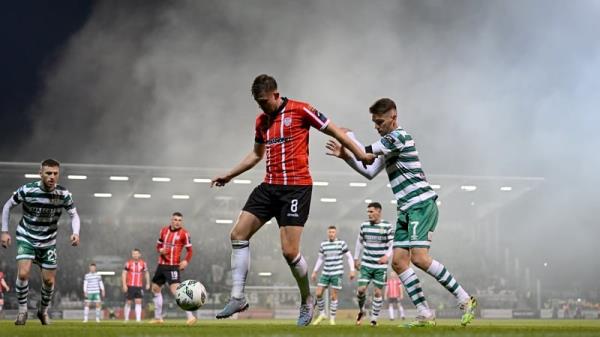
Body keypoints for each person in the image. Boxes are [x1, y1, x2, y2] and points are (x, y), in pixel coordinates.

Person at [211, 74, 374, 326]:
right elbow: (256, 155)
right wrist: (229, 175)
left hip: (296, 189)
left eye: (264, 101)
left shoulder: (302, 110)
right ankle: (237, 297)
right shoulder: (261, 121)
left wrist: (360, 153)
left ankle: (307, 300)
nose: (262, 106)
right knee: (238, 235)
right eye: (257, 102)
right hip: (269, 187)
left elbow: (334, 130)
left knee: (289, 252)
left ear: (276, 94)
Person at [325, 98, 477, 327]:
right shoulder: (388, 143)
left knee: (419, 258)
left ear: (393, 118)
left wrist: (344, 135)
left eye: (380, 121)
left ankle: (465, 299)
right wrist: (346, 155)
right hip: (406, 208)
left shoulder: (398, 137)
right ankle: (425, 313)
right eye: (374, 122)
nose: (377, 126)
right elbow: (369, 170)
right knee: (398, 262)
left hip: (421, 204)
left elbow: (365, 154)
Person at [1, 158, 80, 326]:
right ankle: (22, 311)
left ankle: (42, 311)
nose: (52, 177)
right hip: (26, 236)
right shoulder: (28, 190)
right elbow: (7, 206)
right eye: (48, 173)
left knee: (49, 281)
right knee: (23, 273)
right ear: (40, 173)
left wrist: (76, 232)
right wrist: (4, 231)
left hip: (48, 241)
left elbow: (74, 215)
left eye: (55, 174)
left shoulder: (63, 194)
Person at [150, 212, 196, 325]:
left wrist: (185, 261)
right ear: (171, 220)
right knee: (155, 289)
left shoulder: (184, 234)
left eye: (180, 220)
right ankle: (158, 318)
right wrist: (160, 250)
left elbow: (190, 251)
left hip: (173, 266)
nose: (177, 222)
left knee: (176, 291)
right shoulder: (163, 231)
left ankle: (190, 316)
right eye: (175, 219)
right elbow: (158, 245)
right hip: (161, 265)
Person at [353, 202, 393, 326]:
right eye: (368, 212)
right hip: (366, 264)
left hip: (380, 266)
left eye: (371, 212)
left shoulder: (387, 226)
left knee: (377, 292)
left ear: (378, 211)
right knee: (361, 290)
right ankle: (362, 310)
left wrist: (386, 256)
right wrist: (356, 258)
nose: (369, 214)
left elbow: (392, 243)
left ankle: (374, 319)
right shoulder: (364, 226)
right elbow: (359, 242)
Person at [310, 225, 355, 325]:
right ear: (327, 233)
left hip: (337, 272)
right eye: (330, 232)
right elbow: (320, 259)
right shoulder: (324, 244)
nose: (331, 234)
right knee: (318, 293)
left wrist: (352, 270)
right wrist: (315, 271)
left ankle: (332, 319)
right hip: (326, 272)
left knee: (333, 296)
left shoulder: (341, 243)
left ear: (336, 233)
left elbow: (349, 257)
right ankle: (322, 314)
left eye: (333, 232)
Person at [122, 248, 150, 322]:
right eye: (134, 254)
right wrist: (124, 284)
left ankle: (138, 319)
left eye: (137, 254)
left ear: (139, 255)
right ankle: (126, 319)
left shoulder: (143, 263)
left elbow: (146, 273)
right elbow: (124, 274)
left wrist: (148, 283)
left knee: (138, 301)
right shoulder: (128, 263)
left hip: (139, 286)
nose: (135, 255)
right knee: (129, 302)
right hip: (130, 285)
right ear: (132, 255)